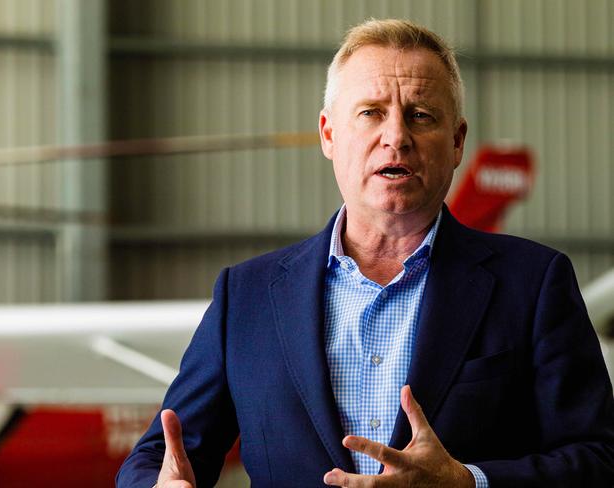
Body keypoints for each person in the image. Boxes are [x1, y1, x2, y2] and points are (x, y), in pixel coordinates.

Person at [117, 19, 614, 487]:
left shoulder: (534, 282)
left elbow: (598, 458)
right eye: (371, 112)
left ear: (457, 142)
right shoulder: (246, 296)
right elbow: (159, 453)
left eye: (421, 116)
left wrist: (467, 481)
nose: (395, 136)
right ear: (329, 134)